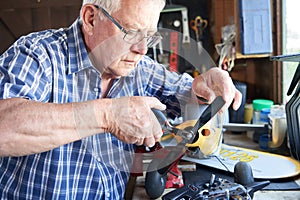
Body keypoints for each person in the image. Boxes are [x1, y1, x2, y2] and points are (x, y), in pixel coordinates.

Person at [0, 0, 242, 199]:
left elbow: (186, 94)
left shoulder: (139, 68)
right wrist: (108, 115)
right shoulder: (38, 55)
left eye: (149, 36)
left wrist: (201, 89)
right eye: (131, 32)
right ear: (91, 18)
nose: (142, 49)